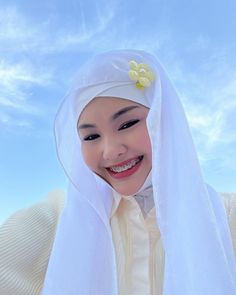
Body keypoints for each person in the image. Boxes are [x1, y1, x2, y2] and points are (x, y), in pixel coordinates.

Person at [0, 50, 235, 295]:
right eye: (91, 136)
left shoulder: (227, 216)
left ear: (163, 121)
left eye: (127, 124)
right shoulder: (54, 219)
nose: (111, 151)